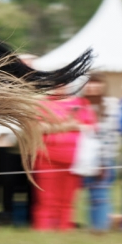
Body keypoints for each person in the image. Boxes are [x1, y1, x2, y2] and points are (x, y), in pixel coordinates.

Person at [32, 86, 96, 231]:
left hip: (73, 160)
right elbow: (37, 128)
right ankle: (44, 234)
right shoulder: (42, 104)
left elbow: (90, 127)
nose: (60, 85)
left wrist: (54, 126)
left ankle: (64, 232)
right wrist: (68, 125)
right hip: (46, 158)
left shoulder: (82, 103)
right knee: (46, 200)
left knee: (67, 201)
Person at [82, 75, 121, 232]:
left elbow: (114, 133)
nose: (92, 87)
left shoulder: (111, 105)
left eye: (96, 84)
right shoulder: (80, 105)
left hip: (105, 156)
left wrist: (105, 157)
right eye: (89, 84)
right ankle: (93, 226)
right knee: (90, 193)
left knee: (101, 193)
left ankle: (101, 228)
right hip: (85, 157)